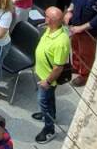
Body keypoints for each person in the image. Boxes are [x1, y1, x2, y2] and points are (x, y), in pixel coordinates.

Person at [32, 8, 71, 144]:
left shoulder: (61, 42)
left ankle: (49, 129)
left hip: (47, 80)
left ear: (51, 20)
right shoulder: (51, 28)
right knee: (48, 100)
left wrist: (47, 82)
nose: (44, 17)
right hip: (42, 74)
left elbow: (58, 67)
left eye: (46, 16)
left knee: (44, 102)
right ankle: (49, 115)